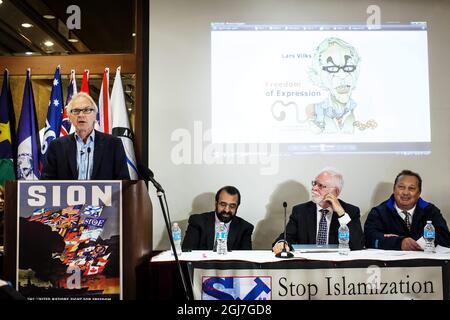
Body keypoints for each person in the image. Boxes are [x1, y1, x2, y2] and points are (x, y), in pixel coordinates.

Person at [272, 168, 364, 254]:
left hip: (338, 265)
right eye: (314, 184)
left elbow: (357, 245)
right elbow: (287, 237)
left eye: (320, 186)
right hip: (308, 265)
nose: (314, 188)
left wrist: (341, 213)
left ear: (336, 191)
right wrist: (282, 243)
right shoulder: (300, 211)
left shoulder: (350, 211)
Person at [41, 92, 130, 180]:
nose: (81, 115)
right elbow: (47, 182)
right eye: (76, 111)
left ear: (95, 115)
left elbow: (123, 181)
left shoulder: (113, 144)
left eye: (87, 110)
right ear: (70, 117)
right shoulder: (57, 146)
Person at [364, 170, 450, 251]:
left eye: (411, 188)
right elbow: (369, 239)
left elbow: (445, 237)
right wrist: (399, 243)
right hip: (392, 266)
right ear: (394, 189)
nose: (405, 192)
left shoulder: (430, 211)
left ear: (419, 192)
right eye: (401, 187)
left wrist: (416, 242)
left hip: (426, 265)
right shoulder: (379, 212)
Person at [306, 37, 377, 134]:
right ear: (318, 75)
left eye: (348, 67)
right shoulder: (316, 110)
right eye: (331, 68)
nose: (342, 75)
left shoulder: (366, 110)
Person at [182, 186, 254, 251]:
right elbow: (187, 253)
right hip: (201, 265)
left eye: (232, 206)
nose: (226, 210)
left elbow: (246, 260)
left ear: (237, 207)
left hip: (231, 265)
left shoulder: (245, 228)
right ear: (216, 203)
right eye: (223, 204)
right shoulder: (197, 222)